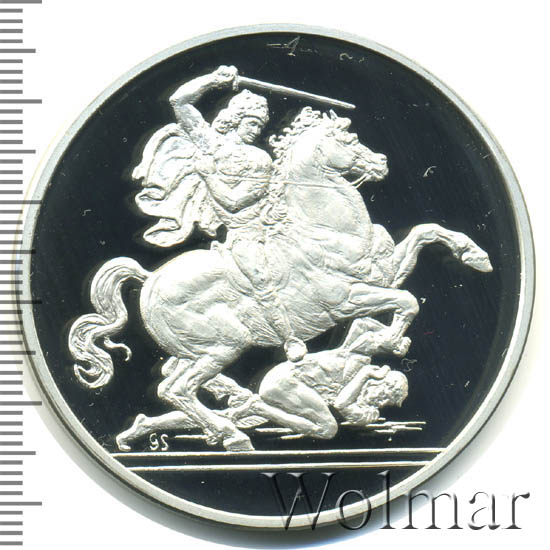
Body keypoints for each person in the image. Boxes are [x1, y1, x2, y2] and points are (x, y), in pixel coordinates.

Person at [169, 65, 307, 362]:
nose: (256, 130)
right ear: (235, 119)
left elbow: (234, 201)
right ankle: (290, 339)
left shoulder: (260, 159)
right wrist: (213, 81)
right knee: (260, 278)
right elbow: (179, 102)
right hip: (240, 235)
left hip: (261, 226)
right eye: (252, 123)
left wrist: (209, 175)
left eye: (260, 126)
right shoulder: (210, 142)